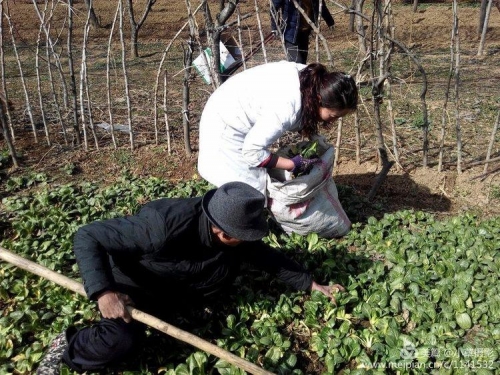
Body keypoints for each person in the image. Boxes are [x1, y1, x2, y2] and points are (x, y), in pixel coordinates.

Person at [36, 181, 345, 374]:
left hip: (181, 289)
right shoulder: (159, 227)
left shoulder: (228, 227)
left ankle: (185, 306)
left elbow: (263, 254)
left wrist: (309, 283)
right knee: (120, 342)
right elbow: (88, 236)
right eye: (243, 237)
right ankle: (67, 347)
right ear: (223, 233)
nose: (249, 240)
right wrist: (104, 292)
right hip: (135, 288)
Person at [197, 61, 358, 197]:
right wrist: (291, 164)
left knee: (250, 188)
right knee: (250, 190)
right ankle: (231, 226)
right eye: (332, 116)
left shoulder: (315, 81)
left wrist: (313, 136)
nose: (334, 120)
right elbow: (252, 152)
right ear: (319, 99)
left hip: (231, 105)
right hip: (226, 122)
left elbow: (305, 113)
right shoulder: (286, 107)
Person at [270, 0, 335, 64]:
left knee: (303, 62)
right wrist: (275, 27)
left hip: (305, 32)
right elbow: (274, 8)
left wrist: (330, 21)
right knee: (296, 62)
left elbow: (321, 6)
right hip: (290, 32)